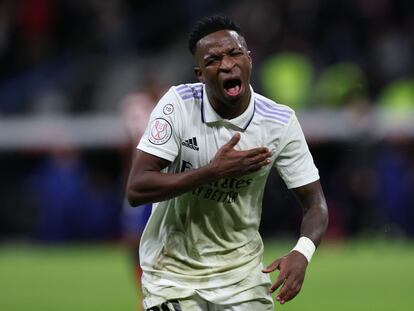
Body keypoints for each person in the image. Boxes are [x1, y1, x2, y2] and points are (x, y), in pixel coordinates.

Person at [127, 15, 328, 311]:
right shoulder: (178, 105)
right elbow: (137, 188)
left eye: (234, 54)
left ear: (249, 59)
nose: (226, 64)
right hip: (172, 273)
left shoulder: (279, 122)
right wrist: (212, 172)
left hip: (242, 277)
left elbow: (315, 204)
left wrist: (302, 252)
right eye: (213, 60)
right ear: (200, 73)